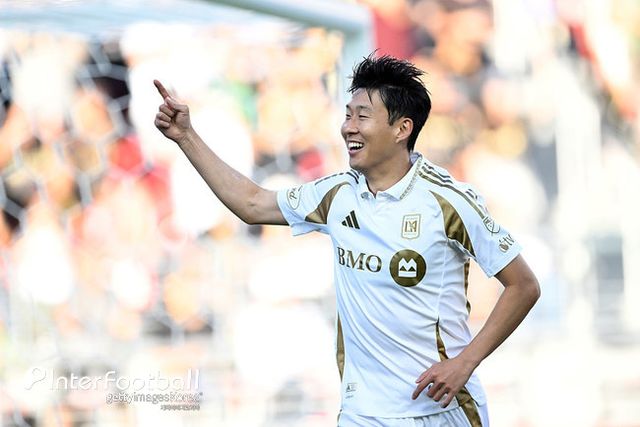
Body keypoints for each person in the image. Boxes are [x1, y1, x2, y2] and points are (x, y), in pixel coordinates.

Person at [153, 54, 540, 427]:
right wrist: (186, 137)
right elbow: (252, 204)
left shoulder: (448, 201)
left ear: (402, 129)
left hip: (440, 409)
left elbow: (523, 285)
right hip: (362, 412)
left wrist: (465, 362)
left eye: (362, 116)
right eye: (347, 115)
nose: (348, 127)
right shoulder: (338, 194)